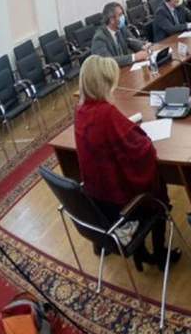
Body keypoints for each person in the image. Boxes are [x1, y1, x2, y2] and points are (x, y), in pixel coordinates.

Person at [73, 55, 180, 269]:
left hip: (98, 203)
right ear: (103, 83)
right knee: (157, 192)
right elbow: (142, 150)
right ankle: (160, 255)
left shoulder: (80, 110)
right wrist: (139, 135)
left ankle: (141, 252)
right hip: (121, 208)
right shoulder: (106, 113)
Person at [91, 2, 148, 67]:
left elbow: (133, 42)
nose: (123, 17)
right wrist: (134, 57)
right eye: (120, 15)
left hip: (124, 68)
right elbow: (108, 61)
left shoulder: (121, 28)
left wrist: (142, 47)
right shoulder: (99, 38)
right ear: (112, 20)